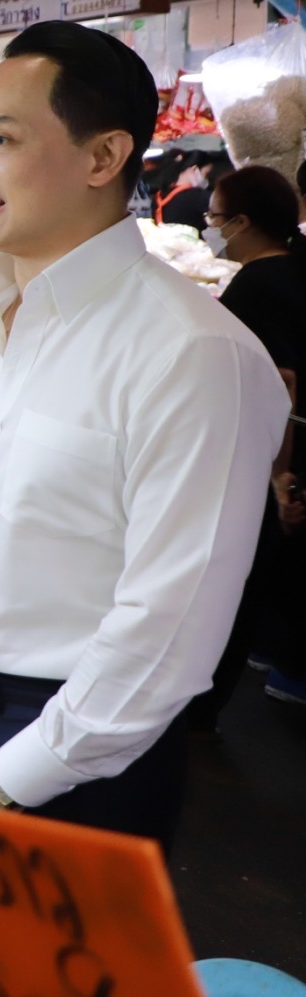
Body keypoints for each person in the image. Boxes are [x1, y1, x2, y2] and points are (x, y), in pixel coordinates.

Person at [0, 20, 286, 848]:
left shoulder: (192, 351)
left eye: (2, 139)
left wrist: (16, 772)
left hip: (88, 751)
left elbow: (171, 620)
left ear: (103, 157)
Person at [192, 165, 306, 715]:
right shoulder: (291, 269)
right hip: (288, 444)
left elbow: (282, 381)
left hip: (277, 450)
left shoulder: (257, 285)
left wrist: (278, 475)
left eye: (214, 217)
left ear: (242, 222)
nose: (210, 228)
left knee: (252, 571)